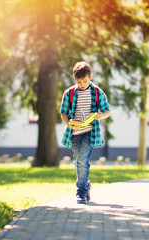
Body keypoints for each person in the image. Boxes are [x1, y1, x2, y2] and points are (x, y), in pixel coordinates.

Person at [60, 61, 111, 204]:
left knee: (83, 160)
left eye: (85, 80)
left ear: (90, 76)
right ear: (75, 79)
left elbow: (107, 110)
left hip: (90, 132)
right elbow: (63, 113)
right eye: (79, 81)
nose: (82, 84)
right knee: (78, 162)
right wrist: (69, 123)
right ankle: (87, 185)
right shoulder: (69, 93)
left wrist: (101, 115)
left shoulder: (96, 92)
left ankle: (81, 191)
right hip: (75, 132)